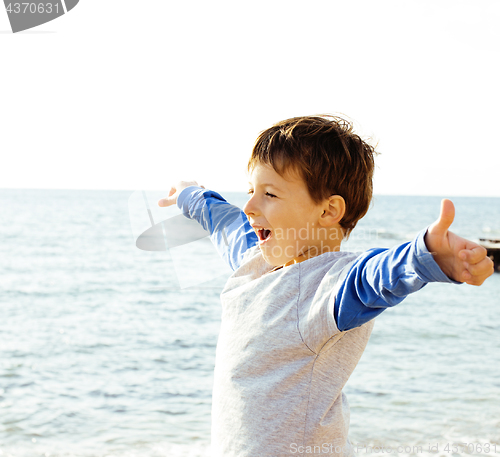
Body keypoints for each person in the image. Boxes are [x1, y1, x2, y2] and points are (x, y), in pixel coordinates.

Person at [158, 115, 493, 457]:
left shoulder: (328, 285)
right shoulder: (254, 261)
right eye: (251, 191)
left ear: (329, 210)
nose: (250, 207)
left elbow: (374, 278)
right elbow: (224, 221)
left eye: (269, 194)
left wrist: (425, 256)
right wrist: (189, 195)